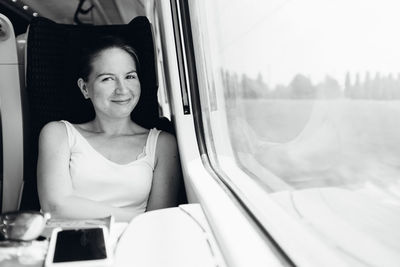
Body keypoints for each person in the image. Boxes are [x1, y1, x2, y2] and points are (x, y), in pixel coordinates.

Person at [37, 36, 181, 222]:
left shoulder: (163, 144)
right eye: (107, 79)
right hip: (67, 242)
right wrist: (140, 219)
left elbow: (160, 222)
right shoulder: (58, 134)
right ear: (84, 88)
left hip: (134, 244)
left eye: (130, 76)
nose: (122, 89)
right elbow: (55, 207)